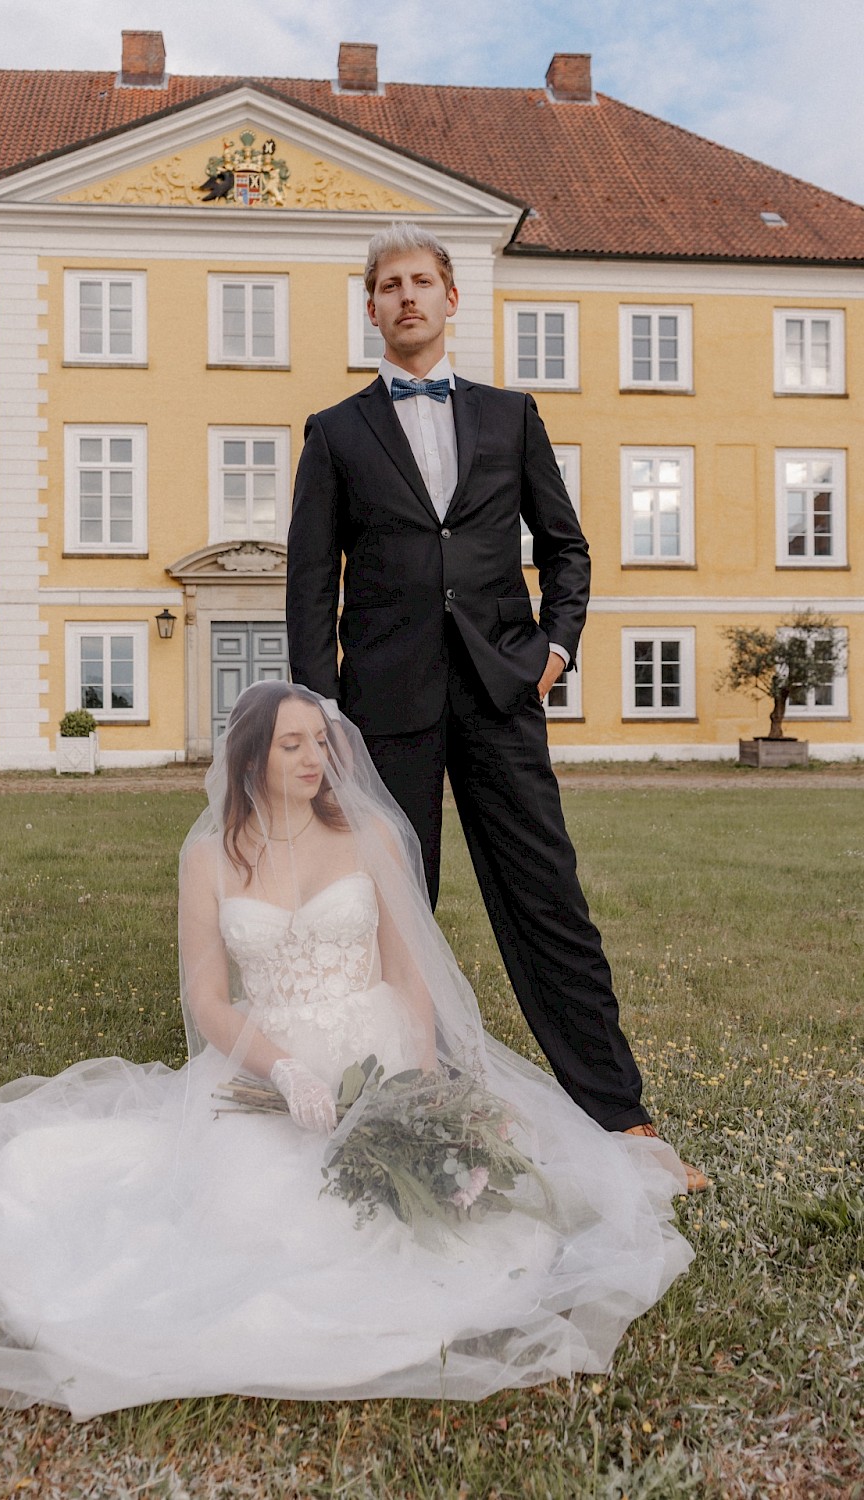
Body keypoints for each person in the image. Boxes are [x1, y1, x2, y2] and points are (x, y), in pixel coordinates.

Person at [0, 682, 692, 1419]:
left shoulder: (368, 834)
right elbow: (208, 1001)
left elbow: (409, 979)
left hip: (376, 1051)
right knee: (245, 1216)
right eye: (291, 745)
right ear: (251, 758)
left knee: (427, 1222)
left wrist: (417, 1084)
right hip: (266, 1062)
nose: (313, 758)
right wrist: (284, 1069)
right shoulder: (207, 858)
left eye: (320, 741)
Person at [286, 223, 707, 1190]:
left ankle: (620, 1115)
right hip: (382, 707)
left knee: (548, 900)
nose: (406, 297)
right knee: (387, 910)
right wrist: (323, 714)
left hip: (501, 692)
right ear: (371, 308)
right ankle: (387, 1111)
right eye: (388, 285)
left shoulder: (512, 416)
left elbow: (567, 547)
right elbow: (310, 585)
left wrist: (554, 649)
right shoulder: (336, 432)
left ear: (451, 298)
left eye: (421, 281)